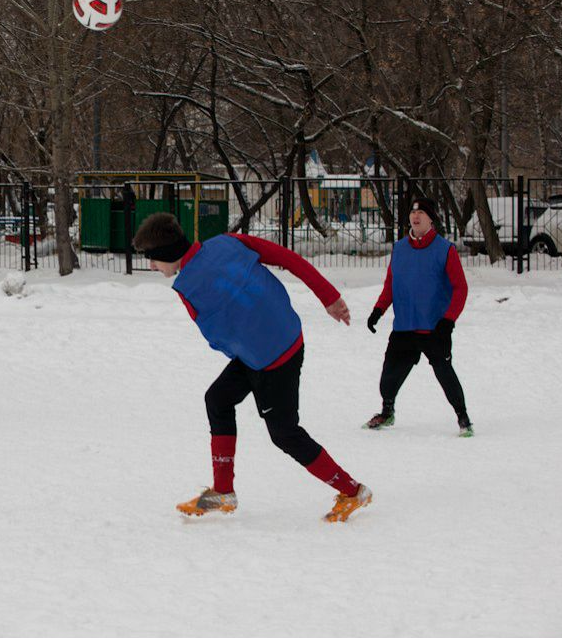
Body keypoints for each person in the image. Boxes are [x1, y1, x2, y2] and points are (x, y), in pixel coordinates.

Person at [133, 213, 372, 523]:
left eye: (153, 259)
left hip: (276, 357)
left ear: (166, 253)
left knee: (285, 434)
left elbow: (214, 337)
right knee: (218, 399)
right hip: (268, 346)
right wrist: (329, 296)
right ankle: (223, 492)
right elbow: (287, 258)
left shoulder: (188, 287)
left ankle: (352, 491)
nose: (152, 266)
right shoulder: (228, 242)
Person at [364, 197, 473, 437]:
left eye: (422, 213)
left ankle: (463, 417)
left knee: (445, 374)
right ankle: (387, 411)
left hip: (434, 328)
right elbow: (391, 283)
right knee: (388, 379)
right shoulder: (400, 249)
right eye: (413, 213)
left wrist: (449, 320)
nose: (416, 217)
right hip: (405, 327)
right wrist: (378, 310)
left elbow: (460, 288)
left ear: (431, 218)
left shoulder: (445, 249)